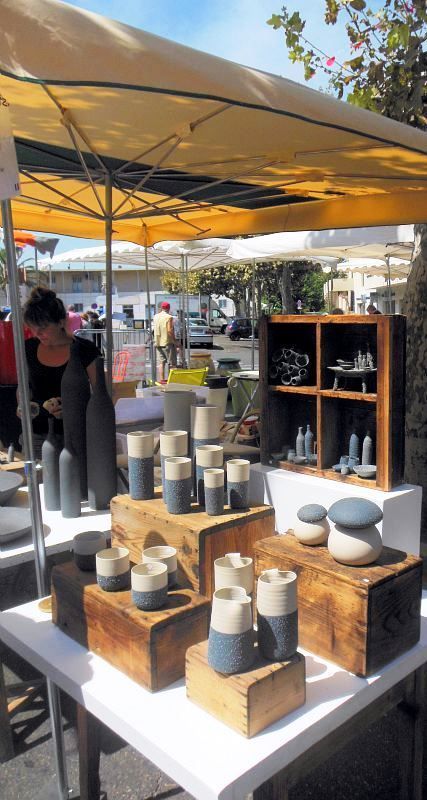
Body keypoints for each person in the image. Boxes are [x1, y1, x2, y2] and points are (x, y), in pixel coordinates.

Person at [22, 287, 100, 458]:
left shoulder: (84, 350)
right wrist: (24, 406)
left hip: (76, 435)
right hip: (37, 435)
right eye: (33, 327)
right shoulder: (28, 348)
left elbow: (102, 394)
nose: (37, 333)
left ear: (60, 321)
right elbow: (22, 388)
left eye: (43, 327)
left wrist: (74, 409)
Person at [153, 301, 177, 381]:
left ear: (161, 308)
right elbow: (170, 330)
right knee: (172, 363)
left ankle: (162, 380)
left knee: (161, 363)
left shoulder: (155, 316)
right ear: (168, 308)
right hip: (167, 342)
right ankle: (172, 380)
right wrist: (175, 341)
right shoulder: (169, 317)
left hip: (158, 343)